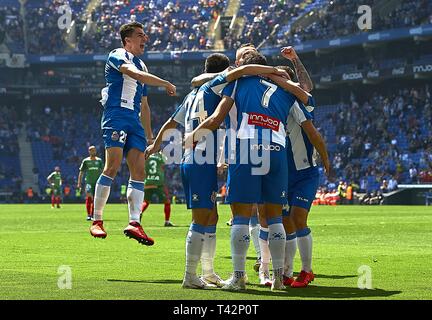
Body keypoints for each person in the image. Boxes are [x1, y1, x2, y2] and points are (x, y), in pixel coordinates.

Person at [146, 52, 289, 289]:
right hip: (201, 157)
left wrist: (157, 144)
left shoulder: (193, 94)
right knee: (201, 219)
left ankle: (208, 272)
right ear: (224, 71)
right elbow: (240, 74)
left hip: (196, 158)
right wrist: (273, 71)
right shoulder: (220, 85)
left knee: (211, 216)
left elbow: (171, 123)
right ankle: (190, 275)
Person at [189, 51, 310, 291]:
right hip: (277, 149)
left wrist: (191, 137)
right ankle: (278, 278)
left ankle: (238, 278)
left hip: (246, 147)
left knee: (241, 217)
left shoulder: (238, 82)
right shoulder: (282, 87)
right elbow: (305, 95)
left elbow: (216, 117)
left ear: (246, 66)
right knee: (275, 218)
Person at [89, 21, 176, 245]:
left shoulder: (143, 65)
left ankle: (135, 223)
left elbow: (145, 105)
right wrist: (164, 82)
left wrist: (148, 137)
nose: (145, 39)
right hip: (116, 114)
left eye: (145, 35)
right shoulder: (118, 55)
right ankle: (97, 220)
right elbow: (131, 73)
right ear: (127, 40)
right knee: (113, 165)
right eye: (140, 35)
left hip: (134, 120)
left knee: (139, 170)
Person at [140, 151, 174, 227]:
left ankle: (140, 213)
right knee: (167, 202)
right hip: (158, 182)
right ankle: (167, 222)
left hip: (147, 182)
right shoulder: (160, 156)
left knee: (146, 201)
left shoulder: (146, 155)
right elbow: (164, 165)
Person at [77, 145, 104, 220]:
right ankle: (89, 215)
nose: (93, 151)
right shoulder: (86, 161)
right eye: (91, 150)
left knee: (96, 199)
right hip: (88, 182)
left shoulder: (99, 160)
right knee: (89, 197)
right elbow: (81, 172)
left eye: (94, 150)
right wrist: (79, 182)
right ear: (89, 151)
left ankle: (93, 215)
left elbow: (102, 172)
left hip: (97, 182)